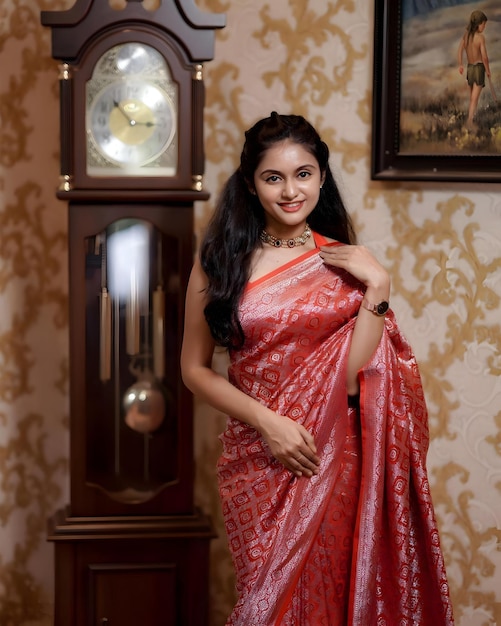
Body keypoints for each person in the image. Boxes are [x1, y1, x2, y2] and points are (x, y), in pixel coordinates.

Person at [181, 113, 454, 625]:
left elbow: (351, 377)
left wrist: (378, 290)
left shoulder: (342, 263)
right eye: (273, 177)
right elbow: (194, 371)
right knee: (268, 603)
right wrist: (269, 423)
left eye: (303, 174)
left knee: (332, 595)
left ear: (322, 177)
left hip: (332, 454)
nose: (290, 191)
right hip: (258, 456)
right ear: (250, 182)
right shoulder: (219, 260)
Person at [457, 10, 491, 127]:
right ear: (478, 24)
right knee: (474, 99)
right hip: (478, 69)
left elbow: (459, 50)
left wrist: (460, 64)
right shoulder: (480, 38)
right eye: (483, 24)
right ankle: (469, 122)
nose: (484, 27)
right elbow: (485, 57)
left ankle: (471, 118)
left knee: (472, 98)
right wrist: (488, 70)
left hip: (470, 69)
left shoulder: (466, 36)